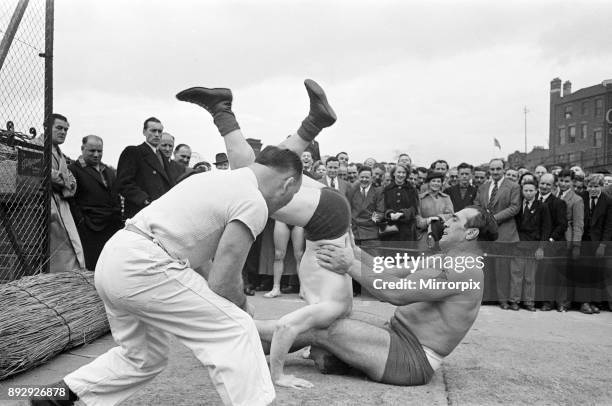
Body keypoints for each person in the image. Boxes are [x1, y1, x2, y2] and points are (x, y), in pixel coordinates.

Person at [34, 145, 303, 406]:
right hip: (144, 264)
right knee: (237, 328)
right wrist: (243, 306)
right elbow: (223, 280)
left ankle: (56, 396)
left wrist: (225, 300)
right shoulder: (253, 200)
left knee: (143, 357)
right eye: (292, 195)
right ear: (288, 184)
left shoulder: (213, 179)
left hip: (116, 257)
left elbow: (203, 262)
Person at [176, 79, 353, 389]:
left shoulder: (332, 309)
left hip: (331, 217)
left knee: (262, 169)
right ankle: (222, 110)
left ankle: (313, 122)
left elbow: (274, 332)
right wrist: (278, 374)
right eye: (321, 354)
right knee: (248, 175)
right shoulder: (331, 312)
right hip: (328, 218)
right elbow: (284, 328)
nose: (315, 356)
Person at [264, 205, 498, 386]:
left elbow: (394, 292)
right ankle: (249, 337)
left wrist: (348, 265)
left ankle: (244, 334)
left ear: (471, 233)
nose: (446, 221)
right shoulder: (444, 258)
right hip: (397, 335)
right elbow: (388, 270)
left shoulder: (465, 268)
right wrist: (355, 253)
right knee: (324, 319)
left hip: (412, 359)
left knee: (318, 328)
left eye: (456, 219)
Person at [68, 135, 122, 271]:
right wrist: (81, 221)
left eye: (100, 151)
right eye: (92, 151)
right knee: (93, 267)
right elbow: (71, 199)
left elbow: (115, 195)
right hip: (90, 228)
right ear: (82, 149)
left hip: (111, 227)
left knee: (109, 266)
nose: (96, 154)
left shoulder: (108, 171)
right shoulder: (74, 169)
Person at [48, 113, 86, 273]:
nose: (63, 132)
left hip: (62, 203)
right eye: (59, 128)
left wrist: (64, 180)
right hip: (47, 202)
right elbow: (43, 173)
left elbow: (72, 184)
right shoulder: (36, 146)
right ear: (47, 127)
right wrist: (65, 180)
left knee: (70, 245)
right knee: (56, 247)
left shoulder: (61, 154)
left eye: (66, 129)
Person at [115, 117, 173, 219]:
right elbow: (123, 183)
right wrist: (144, 200)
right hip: (141, 214)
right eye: (153, 130)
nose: (157, 134)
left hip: (162, 214)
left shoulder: (163, 157)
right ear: (144, 132)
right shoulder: (134, 152)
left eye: (160, 131)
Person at [264, 221, 305, 298]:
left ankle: (303, 289)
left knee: (299, 255)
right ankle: (276, 288)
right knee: (278, 255)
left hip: (299, 219)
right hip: (282, 219)